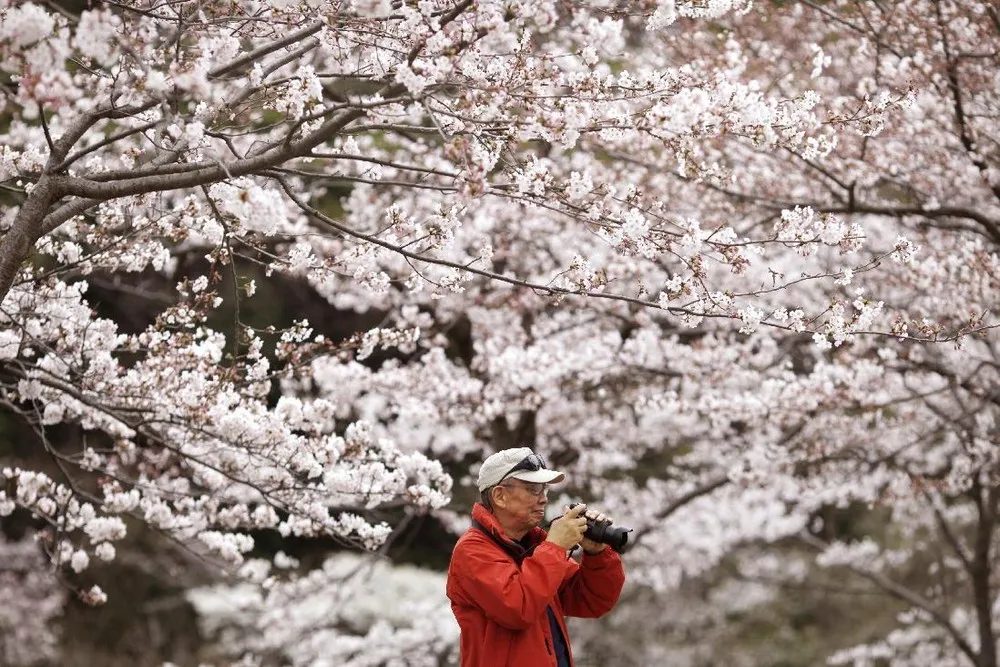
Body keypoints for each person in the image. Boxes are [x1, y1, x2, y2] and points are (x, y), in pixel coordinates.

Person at [446, 447, 626, 667]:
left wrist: (596, 552)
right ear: (500, 496)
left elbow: (592, 601)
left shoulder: (533, 547)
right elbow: (518, 608)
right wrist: (555, 546)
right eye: (533, 490)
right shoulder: (472, 550)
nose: (543, 499)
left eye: (544, 490)